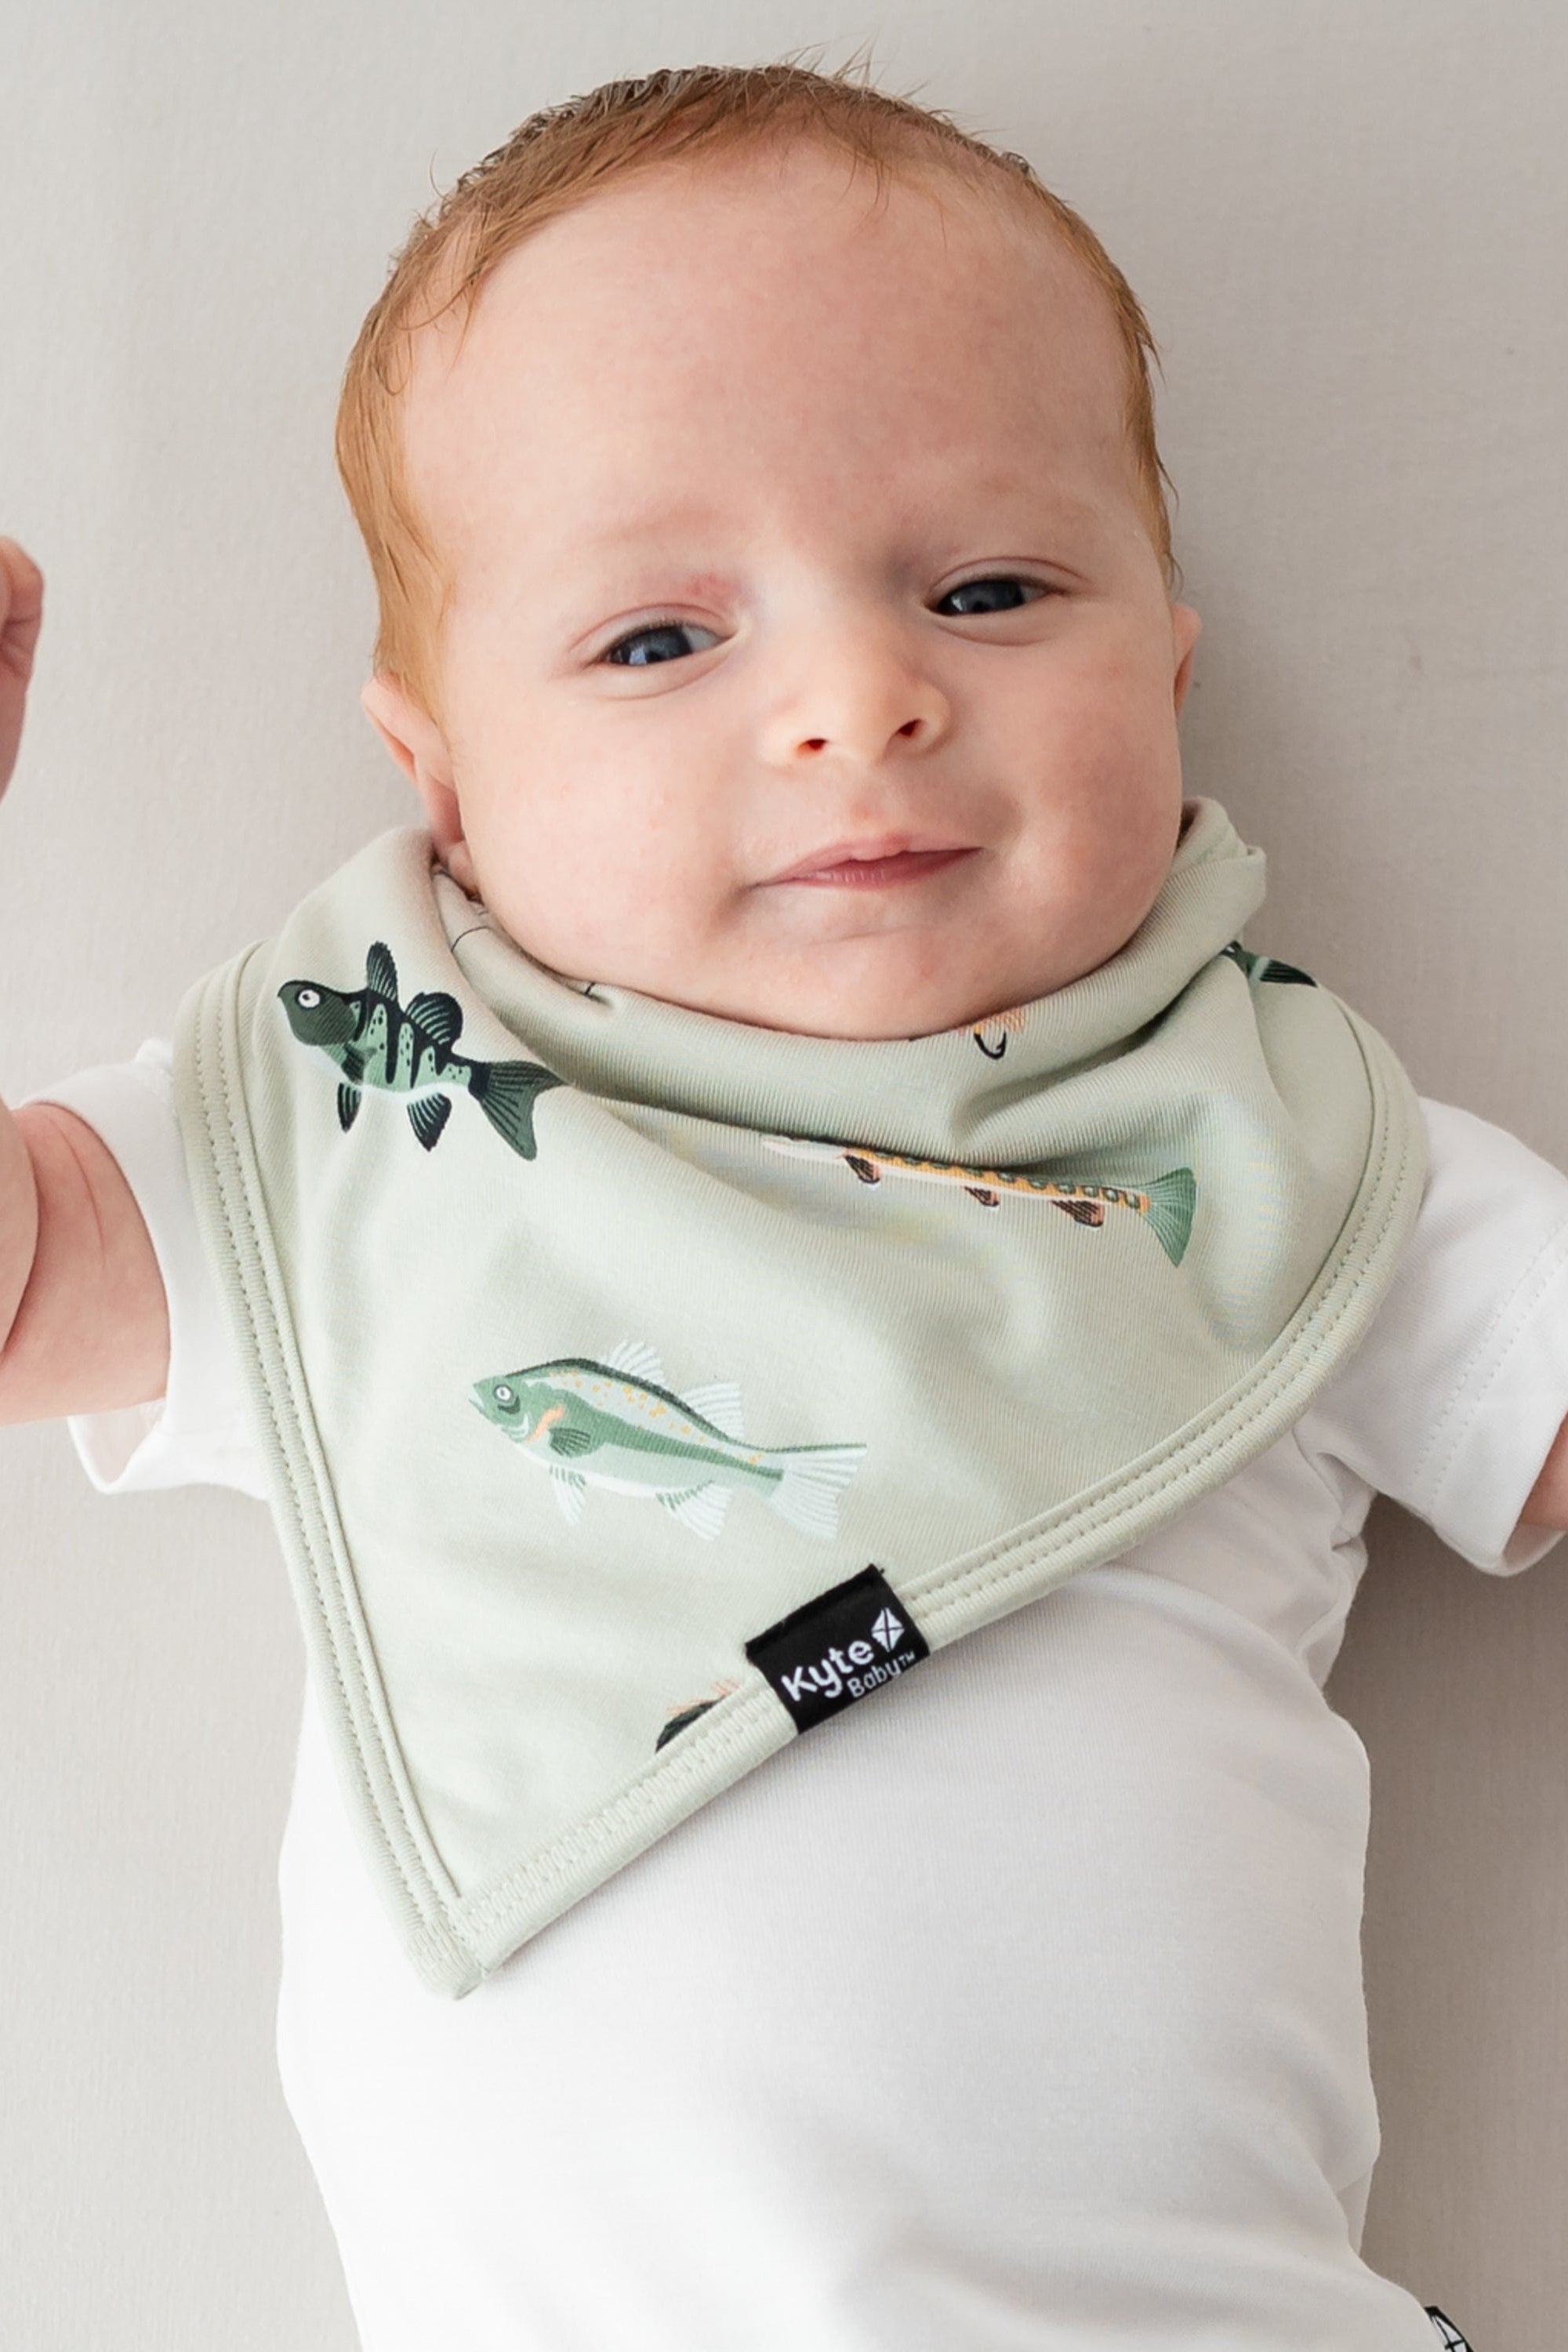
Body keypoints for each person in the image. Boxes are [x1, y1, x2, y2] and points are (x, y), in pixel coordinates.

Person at [0, 60, 1558, 2352]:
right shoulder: (348, 1117)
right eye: (660, 640)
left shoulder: (1289, 1146)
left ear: (1169, 661)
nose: (861, 697)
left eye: (990, 588)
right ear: (441, 778)